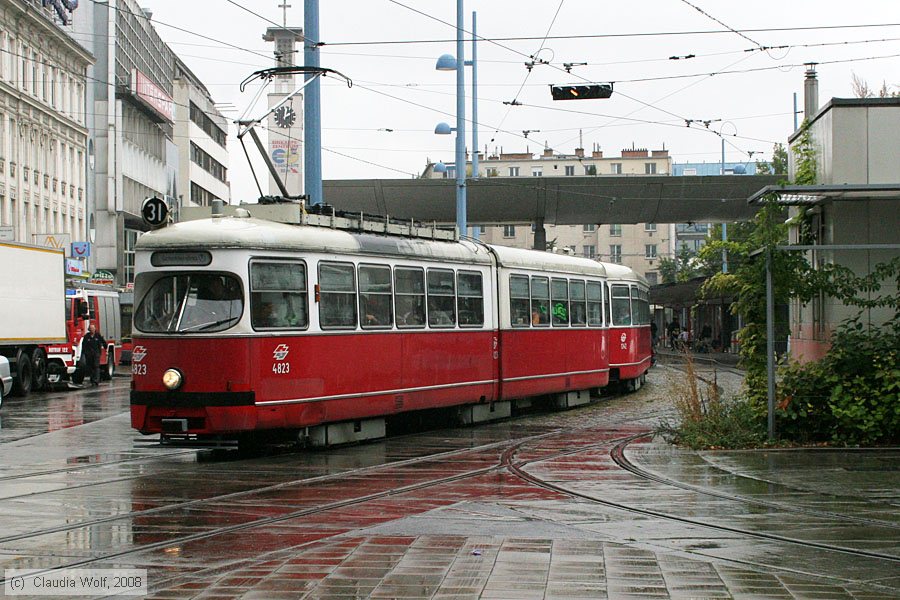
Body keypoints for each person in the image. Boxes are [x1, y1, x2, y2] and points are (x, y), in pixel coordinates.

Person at [81, 322, 107, 386]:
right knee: (90, 367)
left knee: (96, 366)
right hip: (89, 355)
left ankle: (96, 380)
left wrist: (105, 347)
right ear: (89, 329)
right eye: (91, 328)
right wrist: (84, 353)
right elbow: (83, 345)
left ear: (95, 329)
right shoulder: (86, 336)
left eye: (93, 328)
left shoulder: (98, 336)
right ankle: (92, 379)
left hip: (96, 354)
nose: (92, 330)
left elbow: (103, 342)